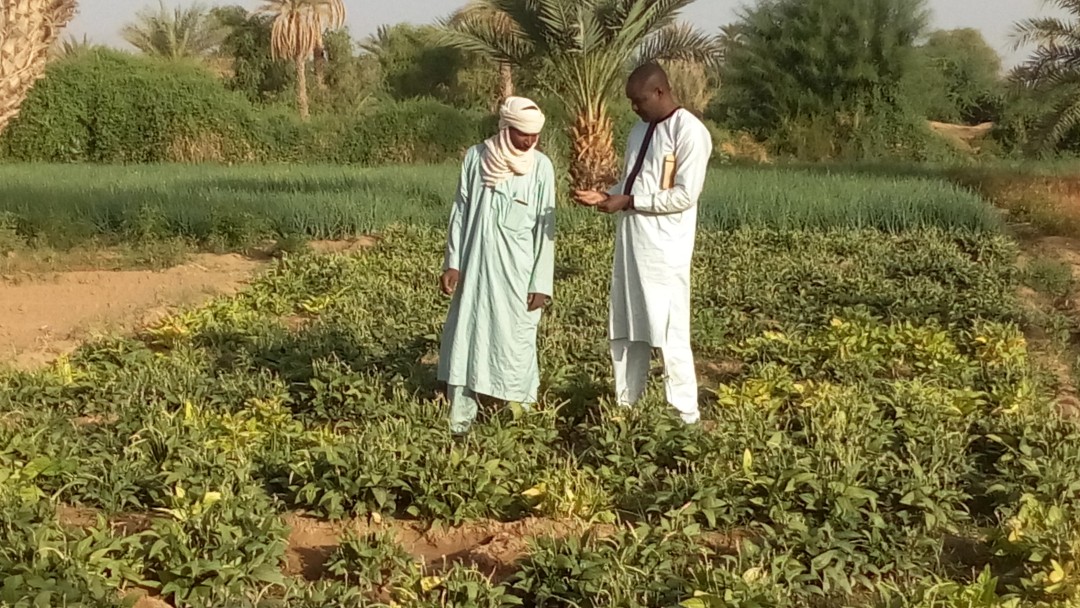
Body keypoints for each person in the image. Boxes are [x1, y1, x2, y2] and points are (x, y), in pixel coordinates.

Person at [572, 62, 713, 425]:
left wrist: (630, 202)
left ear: (661, 92)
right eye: (631, 102)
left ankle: (684, 413)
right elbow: (635, 184)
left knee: (670, 330)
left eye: (639, 101)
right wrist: (607, 195)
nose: (634, 108)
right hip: (631, 243)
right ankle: (625, 403)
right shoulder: (638, 130)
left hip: (666, 249)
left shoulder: (690, 132)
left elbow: (684, 195)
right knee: (626, 323)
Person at [436, 96, 556, 435]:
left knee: (516, 337)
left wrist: (541, 282)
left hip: (518, 271)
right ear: (506, 127)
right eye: (522, 134)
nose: (529, 141)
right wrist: (453, 263)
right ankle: (461, 417)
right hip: (474, 266)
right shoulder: (477, 158)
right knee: (468, 332)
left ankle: (519, 410)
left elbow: (546, 228)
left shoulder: (541, 167)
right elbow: (460, 212)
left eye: (534, 135)